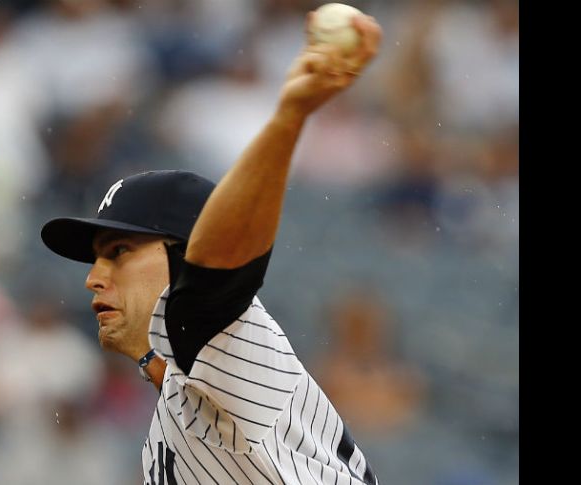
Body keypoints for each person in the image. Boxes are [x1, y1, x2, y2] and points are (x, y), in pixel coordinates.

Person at [41, 11, 383, 485]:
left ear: (184, 257)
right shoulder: (182, 393)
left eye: (119, 251)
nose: (93, 277)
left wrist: (289, 118)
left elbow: (220, 264)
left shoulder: (212, 328)